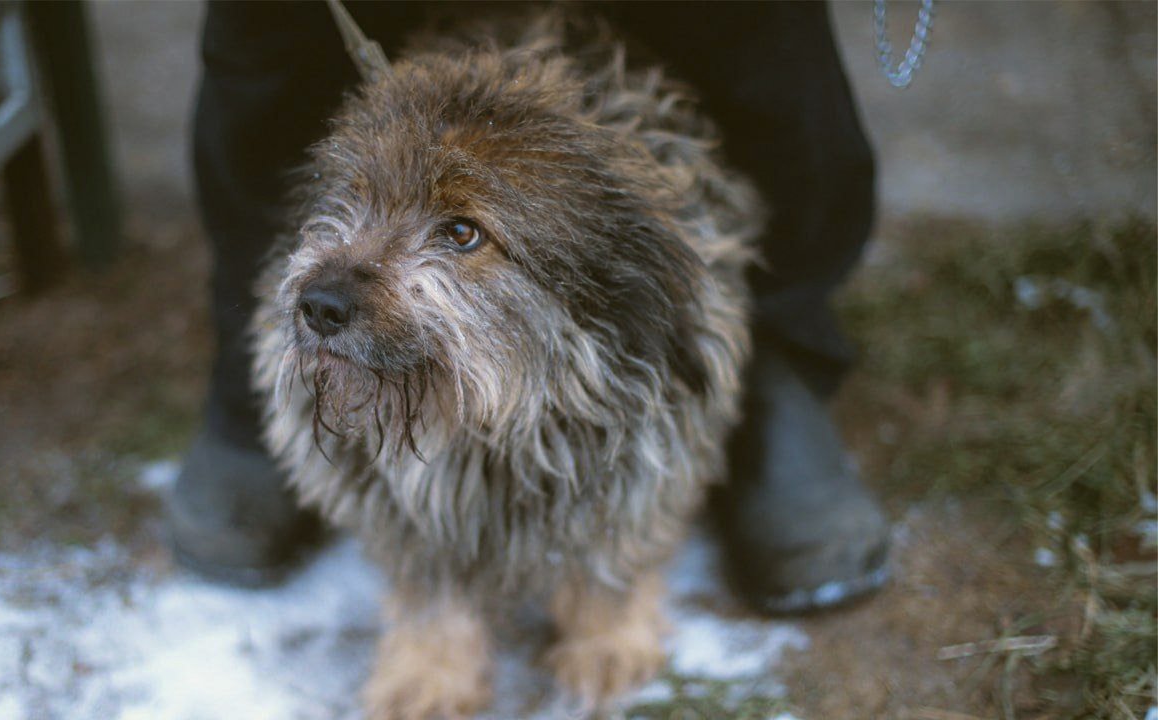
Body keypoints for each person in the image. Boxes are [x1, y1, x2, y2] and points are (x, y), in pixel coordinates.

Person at [168, 1, 889, 613]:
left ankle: (777, 367)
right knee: (275, 45)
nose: (332, 285)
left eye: (458, 233)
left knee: (752, 39)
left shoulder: (633, 309)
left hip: (619, 262)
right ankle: (258, 411)